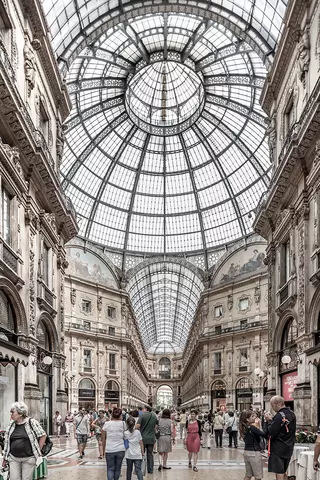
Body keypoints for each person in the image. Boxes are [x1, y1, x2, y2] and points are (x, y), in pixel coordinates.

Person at [2, 401, 47, 480]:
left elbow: (43, 435)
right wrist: (5, 458)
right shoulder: (11, 424)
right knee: (14, 478)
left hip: (29, 458)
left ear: (20, 413)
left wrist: (38, 450)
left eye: (12, 412)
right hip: (13, 458)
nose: (11, 414)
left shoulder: (31, 422)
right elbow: (7, 442)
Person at [264, 396, 296, 480]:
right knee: (284, 470)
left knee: (279, 472)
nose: (272, 407)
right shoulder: (292, 413)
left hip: (278, 448)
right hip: (289, 447)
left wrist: (269, 421)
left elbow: (271, 432)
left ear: (278, 404)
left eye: (272, 405)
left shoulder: (279, 416)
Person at [239, 410, 267, 480]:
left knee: (248, 475)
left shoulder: (244, 427)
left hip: (246, 452)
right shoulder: (252, 427)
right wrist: (265, 423)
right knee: (258, 476)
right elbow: (264, 434)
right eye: (252, 416)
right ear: (247, 419)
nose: (255, 417)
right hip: (254, 453)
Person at [102, 407, 126, 480]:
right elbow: (125, 436)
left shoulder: (107, 424)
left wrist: (103, 450)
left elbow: (103, 439)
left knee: (110, 468)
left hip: (109, 449)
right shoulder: (123, 423)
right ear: (120, 415)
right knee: (118, 469)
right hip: (121, 449)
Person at [136, 405, 158, 474]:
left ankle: (141, 469)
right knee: (150, 454)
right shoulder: (154, 416)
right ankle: (150, 470)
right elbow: (156, 426)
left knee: (141, 453)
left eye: (143, 409)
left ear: (145, 409)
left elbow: (137, 426)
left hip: (143, 438)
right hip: (151, 438)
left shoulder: (142, 415)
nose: (142, 410)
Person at [125, 416, 144, 480]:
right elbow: (141, 442)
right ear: (134, 423)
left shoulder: (125, 433)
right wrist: (142, 452)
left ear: (127, 424)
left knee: (129, 470)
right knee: (138, 470)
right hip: (137, 454)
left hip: (129, 454)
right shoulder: (137, 432)